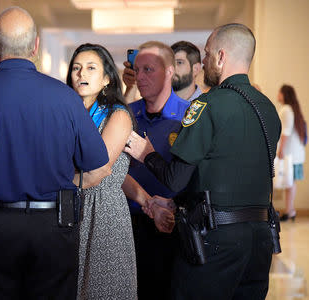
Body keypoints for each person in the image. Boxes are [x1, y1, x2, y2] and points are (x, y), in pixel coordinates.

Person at [0, 7, 109, 300]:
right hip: (54, 226)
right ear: (35, 46)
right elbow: (97, 168)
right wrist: (53, 178)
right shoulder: (67, 97)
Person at [125, 23, 281, 300]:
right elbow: (227, 173)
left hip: (217, 239)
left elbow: (175, 178)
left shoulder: (208, 105)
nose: (204, 61)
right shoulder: (267, 107)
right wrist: (174, 203)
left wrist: (146, 153)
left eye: (207, 54)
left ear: (221, 57)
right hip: (261, 237)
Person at [66, 43, 139, 299]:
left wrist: (51, 183)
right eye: (76, 68)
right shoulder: (67, 114)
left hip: (103, 211)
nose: (81, 74)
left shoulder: (117, 115)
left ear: (107, 78)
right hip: (69, 209)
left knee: (103, 289)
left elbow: (100, 170)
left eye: (90, 68)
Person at [121, 41, 189, 300]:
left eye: (148, 70)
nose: (139, 77)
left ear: (170, 71)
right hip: (130, 225)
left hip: (173, 227)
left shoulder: (187, 116)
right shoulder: (127, 115)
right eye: (136, 70)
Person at [277, 84, 306, 221]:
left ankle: (289, 211)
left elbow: (285, 132)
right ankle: (291, 211)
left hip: (290, 155)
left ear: (284, 94)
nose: (278, 94)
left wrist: (280, 149)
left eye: (280, 92)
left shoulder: (287, 110)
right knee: (290, 183)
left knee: (290, 183)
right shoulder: (292, 109)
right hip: (295, 154)